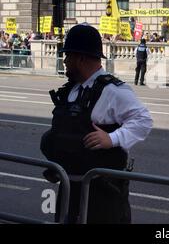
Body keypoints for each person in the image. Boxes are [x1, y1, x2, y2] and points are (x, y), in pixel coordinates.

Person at [40, 24, 153, 224]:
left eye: (68, 56)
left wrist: (112, 138)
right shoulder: (73, 90)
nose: (64, 61)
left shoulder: (112, 90)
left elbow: (143, 120)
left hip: (101, 192)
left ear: (81, 58)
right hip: (69, 188)